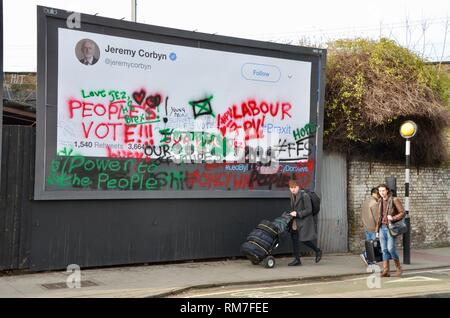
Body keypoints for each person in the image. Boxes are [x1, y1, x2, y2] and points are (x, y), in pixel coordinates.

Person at [287, 180, 322, 266]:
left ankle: (317, 250)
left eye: (295, 187)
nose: (293, 189)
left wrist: (298, 213)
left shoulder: (305, 196)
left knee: (303, 240)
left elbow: (309, 210)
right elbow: (294, 207)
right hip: (296, 220)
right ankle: (297, 259)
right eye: (291, 188)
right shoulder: (292, 196)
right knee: (294, 238)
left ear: (298, 187)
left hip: (304, 221)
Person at [375, 183, 405, 277]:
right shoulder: (380, 201)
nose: (381, 193)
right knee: (384, 250)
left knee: (391, 249)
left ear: (387, 190)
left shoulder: (394, 200)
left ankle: (398, 267)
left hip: (390, 228)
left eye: (383, 190)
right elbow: (379, 217)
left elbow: (402, 213)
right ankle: (386, 271)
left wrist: (393, 217)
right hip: (382, 228)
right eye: (380, 191)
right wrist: (377, 230)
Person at [360, 187, 380, 266]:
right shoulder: (374, 203)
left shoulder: (366, 201)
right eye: (378, 194)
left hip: (366, 226)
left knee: (369, 244)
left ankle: (370, 261)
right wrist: (377, 228)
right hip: (372, 227)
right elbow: (376, 217)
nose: (379, 195)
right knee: (373, 245)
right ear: (374, 193)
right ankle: (365, 255)